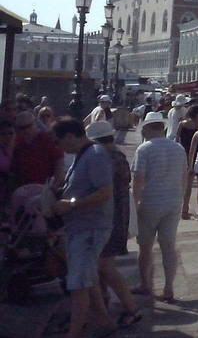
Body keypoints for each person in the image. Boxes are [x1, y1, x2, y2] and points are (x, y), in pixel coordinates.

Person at [51, 118, 117, 338]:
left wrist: (71, 204)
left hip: (90, 228)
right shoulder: (84, 155)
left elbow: (105, 192)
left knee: (78, 283)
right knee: (87, 280)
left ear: (70, 136)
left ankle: (75, 332)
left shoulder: (95, 155)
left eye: (59, 141)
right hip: (81, 226)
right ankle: (104, 322)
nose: (59, 147)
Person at [86, 121, 142, 329]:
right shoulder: (117, 156)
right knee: (101, 266)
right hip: (117, 216)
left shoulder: (105, 159)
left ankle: (131, 308)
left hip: (109, 219)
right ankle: (103, 304)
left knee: (105, 266)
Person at [131, 111, 187, 304]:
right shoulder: (178, 148)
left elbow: (138, 180)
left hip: (150, 202)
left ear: (147, 128)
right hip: (172, 202)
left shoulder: (144, 149)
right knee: (168, 246)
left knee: (145, 247)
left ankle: (145, 284)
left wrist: (134, 204)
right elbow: (184, 176)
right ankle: (169, 288)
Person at [11, 110, 65, 187]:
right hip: (23, 188)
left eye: (28, 126)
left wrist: (56, 185)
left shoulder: (48, 140)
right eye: (22, 128)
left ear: (35, 124)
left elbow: (59, 163)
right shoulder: (16, 142)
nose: (26, 130)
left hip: (45, 187)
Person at [176, 105, 198, 220]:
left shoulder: (182, 124)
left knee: (186, 184)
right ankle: (196, 210)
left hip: (183, 154)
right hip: (196, 155)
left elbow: (177, 139)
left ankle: (184, 209)